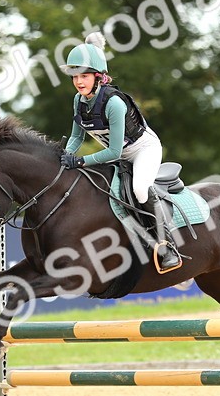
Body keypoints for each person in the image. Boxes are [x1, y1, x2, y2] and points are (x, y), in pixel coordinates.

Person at [59, 32, 181, 273]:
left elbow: (114, 151)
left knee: (139, 190)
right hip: (117, 154)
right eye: (75, 77)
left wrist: (80, 161)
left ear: (98, 77)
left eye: (84, 76)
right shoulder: (79, 101)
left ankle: (168, 245)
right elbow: (76, 137)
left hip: (142, 150)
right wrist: (64, 157)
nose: (79, 82)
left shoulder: (114, 103)